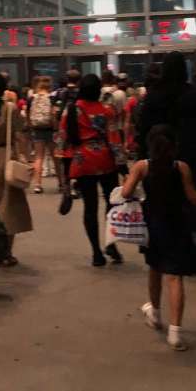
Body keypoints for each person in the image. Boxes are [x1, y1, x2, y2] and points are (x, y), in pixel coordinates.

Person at [120, 126, 196, 352]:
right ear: (174, 146)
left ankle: (155, 313)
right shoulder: (181, 168)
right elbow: (194, 199)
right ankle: (175, 332)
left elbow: (125, 192)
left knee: (154, 268)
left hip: (151, 225)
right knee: (174, 277)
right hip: (177, 225)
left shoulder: (142, 166)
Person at [61, 73, 121, 267]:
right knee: (112, 203)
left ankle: (96, 252)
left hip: (82, 160)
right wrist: (122, 163)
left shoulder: (71, 111)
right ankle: (111, 242)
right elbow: (114, 138)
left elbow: (63, 140)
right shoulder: (106, 110)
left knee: (90, 207)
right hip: (105, 160)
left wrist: (66, 171)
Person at [0, 73, 33, 266]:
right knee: (9, 206)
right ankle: (6, 253)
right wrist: (27, 158)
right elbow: (20, 136)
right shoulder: (11, 109)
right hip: (7, 158)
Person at [51, 69, 82, 209]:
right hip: (79, 130)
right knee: (79, 159)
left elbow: (56, 111)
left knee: (66, 161)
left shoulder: (60, 93)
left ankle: (67, 186)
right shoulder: (81, 92)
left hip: (64, 130)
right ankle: (77, 185)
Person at [28, 76, 55, 194]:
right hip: (50, 129)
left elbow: (28, 114)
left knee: (38, 157)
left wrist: (31, 127)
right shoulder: (52, 97)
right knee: (55, 157)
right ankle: (61, 183)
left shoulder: (32, 98)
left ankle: (37, 185)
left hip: (37, 129)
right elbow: (54, 113)